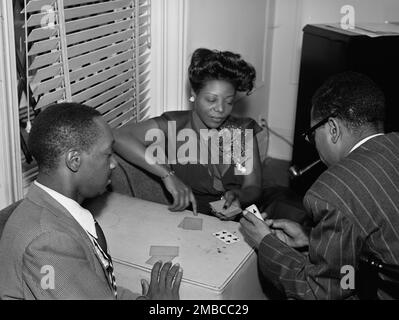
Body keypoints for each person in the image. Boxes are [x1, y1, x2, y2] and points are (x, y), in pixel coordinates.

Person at [240, 71, 399, 299]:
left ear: (333, 128)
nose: (313, 144)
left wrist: (265, 243)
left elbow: (322, 292)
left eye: (312, 133)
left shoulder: (332, 191)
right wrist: (311, 238)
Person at [0, 103, 182, 300]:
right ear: (74, 160)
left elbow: (93, 288)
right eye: (107, 154)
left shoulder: (54, 210)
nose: (113, 163)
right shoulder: (48, 242)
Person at [114, 48, 304, 220]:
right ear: (194, 94)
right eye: (211, 99)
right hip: (196, 217)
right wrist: (167, 175)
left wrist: (240, 196)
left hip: (240, 215)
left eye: (229, 101)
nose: (220, 109)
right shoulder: (174, 126)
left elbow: (252, 185)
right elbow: (119, 136)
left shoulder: (237, 132)